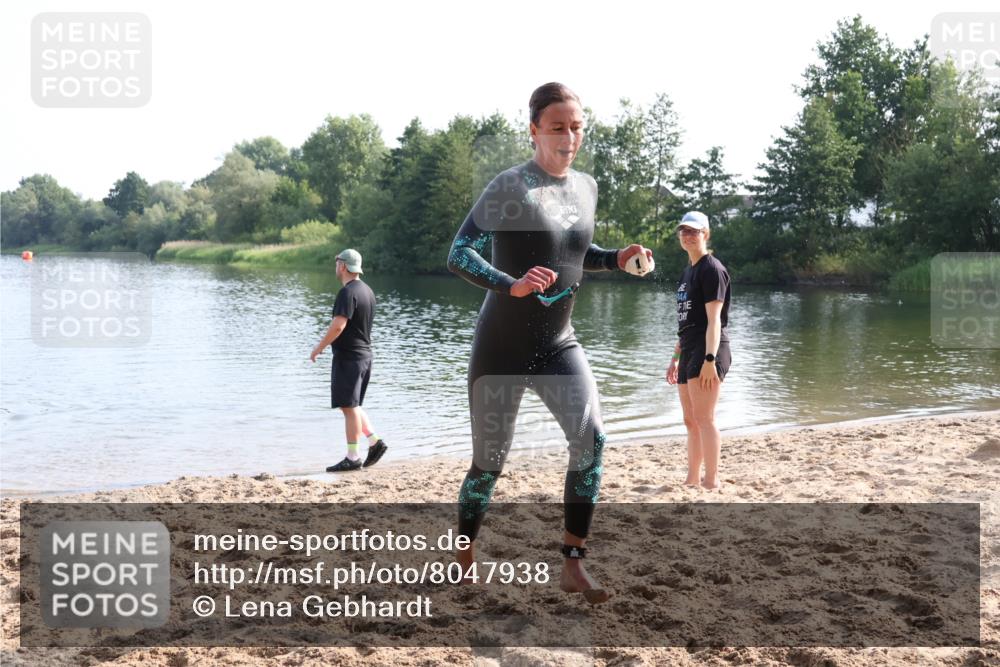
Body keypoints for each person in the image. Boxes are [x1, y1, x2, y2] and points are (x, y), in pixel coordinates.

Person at [447, 82, 654, 605]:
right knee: (488, 464)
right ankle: (465, 555)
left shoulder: (586, 187)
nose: (570, 136)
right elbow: (460, 252)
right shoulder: (510, 185)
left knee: (593, 440)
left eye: (577, 127)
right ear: (535, 130)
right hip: (501, 348)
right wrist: (509, 283)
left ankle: (573, 562)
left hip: (559, 343)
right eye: (558, 126)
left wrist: (616, 258)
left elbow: (575, 253)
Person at [666, 211, 732, 490]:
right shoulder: (687, 272)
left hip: (709, 350)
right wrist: (675, 357)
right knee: (690, 420)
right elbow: (687, 322)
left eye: (694, 231)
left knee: (705, 418)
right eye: (684, 231)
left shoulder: (711, 269)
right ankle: (692, 479)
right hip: (690, 349)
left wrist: (709, 359)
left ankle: (711, 480)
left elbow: (714, 320)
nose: (688, 236)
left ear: (706, 233)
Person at [310, 249, 387, 471]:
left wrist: (319, 348)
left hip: (350, 357)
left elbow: (338, 326)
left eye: (337, 264)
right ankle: (374, 442)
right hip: (364, 356)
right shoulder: (367, 291)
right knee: (351, 405)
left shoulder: (347, 292)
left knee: (349, 406)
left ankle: (353, 457)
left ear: (343, 266)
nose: (335, 268)